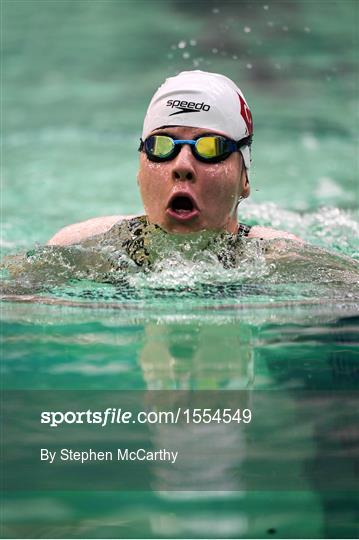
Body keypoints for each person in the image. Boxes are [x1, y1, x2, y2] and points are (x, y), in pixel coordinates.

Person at [48, 70, 301, 247]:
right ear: (139, 172)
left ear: (244, 178)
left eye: (211, 147)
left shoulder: (281, 259)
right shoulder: (81, 248)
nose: (182, 166)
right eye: (161, 146)